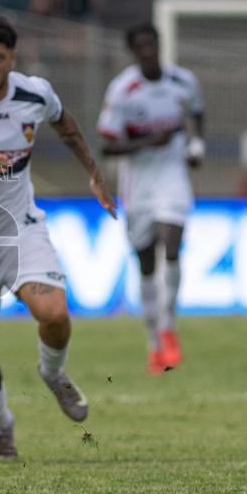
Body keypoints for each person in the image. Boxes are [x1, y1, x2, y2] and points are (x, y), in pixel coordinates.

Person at [0, 14, 116, 460]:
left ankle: (52, 373)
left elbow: (65, 123)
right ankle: (2, 426)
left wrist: (93, 173)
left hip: (20, 226)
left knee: (53, 312)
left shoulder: (34, 93)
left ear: (13, 58)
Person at [96, 22, 206, 376]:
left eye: (152, 44)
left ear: (159, 45)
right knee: (145, 263)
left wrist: (195, 145)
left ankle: (168, 326)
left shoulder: (183, 81)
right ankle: (154, 343)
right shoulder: (123, 91)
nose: (149, 51)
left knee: (171, 248)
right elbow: (108, 145)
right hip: (138, 183)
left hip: (173, 176)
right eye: (141, 46)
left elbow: (198, 113)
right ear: (133, 51)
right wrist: (146, 143)